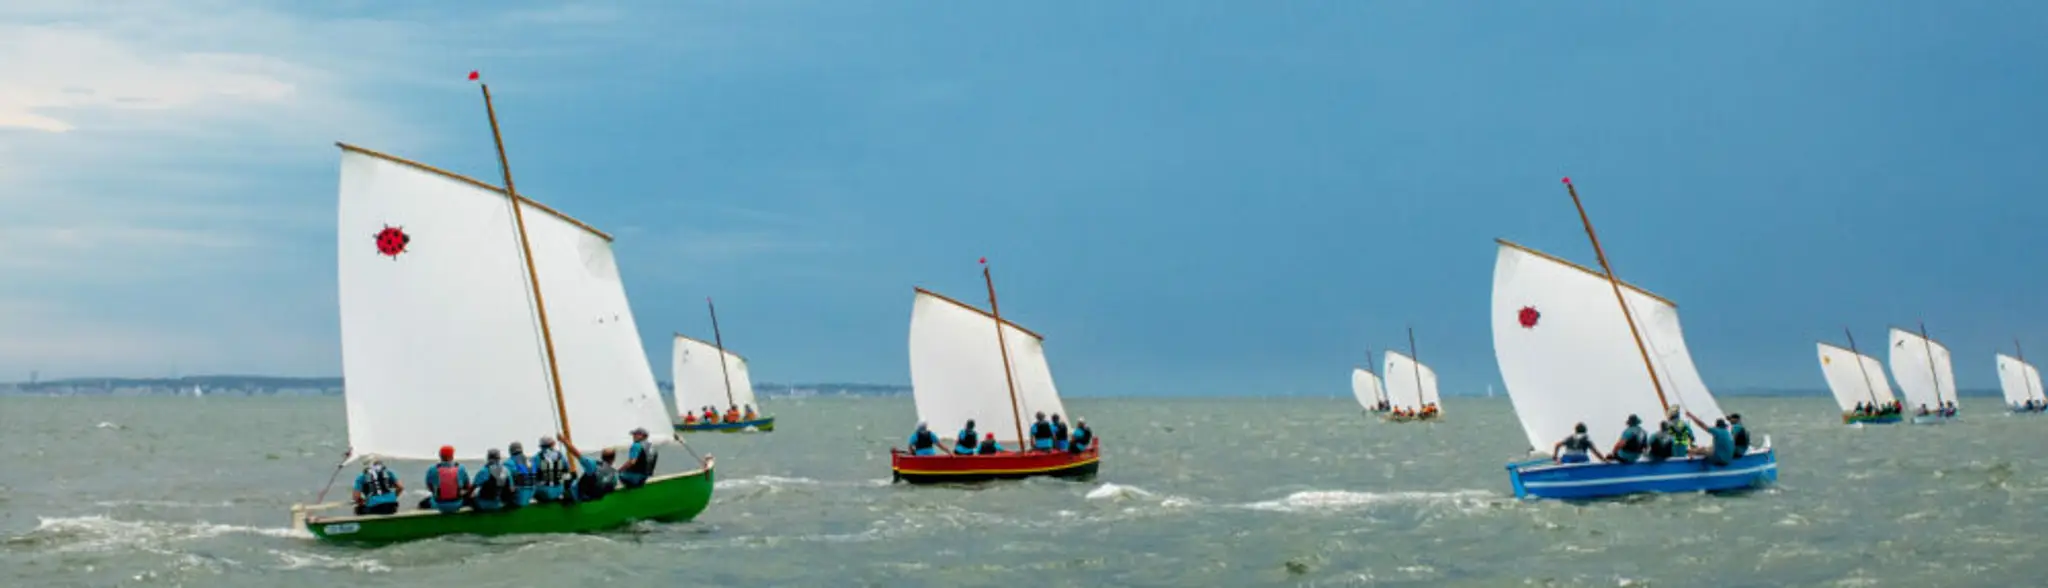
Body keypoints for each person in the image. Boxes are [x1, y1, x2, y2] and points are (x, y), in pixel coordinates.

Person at [422, 445, 471, 514]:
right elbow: (468, 487)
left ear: (440, 456)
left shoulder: (432, 469)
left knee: (422, 503)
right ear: (452, 456)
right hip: (457, 504)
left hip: (438, 504)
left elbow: (429, 487)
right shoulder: (461, 468)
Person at [470, 448, 515, 512]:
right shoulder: (506, 471)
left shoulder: (483, 471)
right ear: (499, 458)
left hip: (482, 505)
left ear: (488, 458)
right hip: (500, 504)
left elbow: (473, 489)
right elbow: (511, 489)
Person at [532, 436, 573, 503]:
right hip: (560, 490)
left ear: (541, 446)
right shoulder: (561, 456)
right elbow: (567, 472)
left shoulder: (536, 458)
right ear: (552, 444)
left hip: (544, 492)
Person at [504, 441, 537, 509]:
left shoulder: (509, 462)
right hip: (531, 495)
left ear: (510, 451)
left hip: (518, 498)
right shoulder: (531, 461)